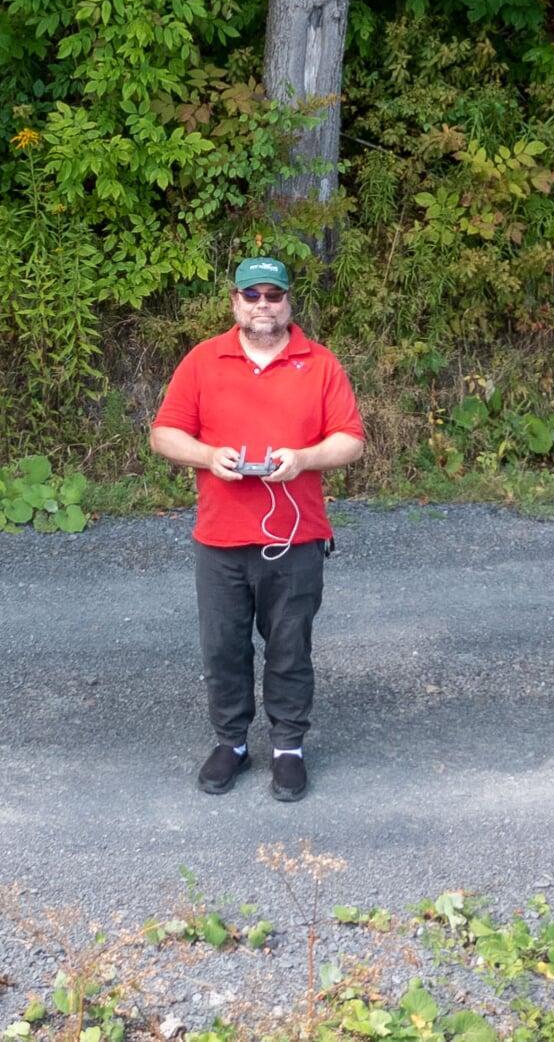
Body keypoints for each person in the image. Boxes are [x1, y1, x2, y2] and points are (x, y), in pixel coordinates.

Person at [149, 257, 365, 802]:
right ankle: (232, 743)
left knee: (290, 646)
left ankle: (288, 748)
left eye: (273, 295)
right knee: (222, 648)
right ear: (235, 302)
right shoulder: (203, 360)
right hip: (220, 536)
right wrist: (208, 454)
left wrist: (304, 458)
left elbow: (351, 441)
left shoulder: (319, 364)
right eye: (252, 295)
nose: (263, 305)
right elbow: (163, 435)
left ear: (289, 301)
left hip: (296, 536)